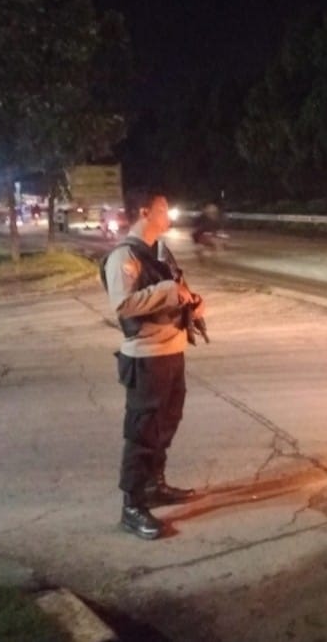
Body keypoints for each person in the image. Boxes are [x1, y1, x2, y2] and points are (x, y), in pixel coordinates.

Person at [101, 187, 205, 540]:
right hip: (146, 357)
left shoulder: (159, 253)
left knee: (166, 423)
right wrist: (170, 292)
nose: (168, 214)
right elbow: (123, 304)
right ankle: (132, 505)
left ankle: (154, 485)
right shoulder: (124, 257)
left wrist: (192, 303)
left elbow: (177, 291)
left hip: (172, 351)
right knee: (143, 432)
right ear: (144, 212)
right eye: (163, 208)